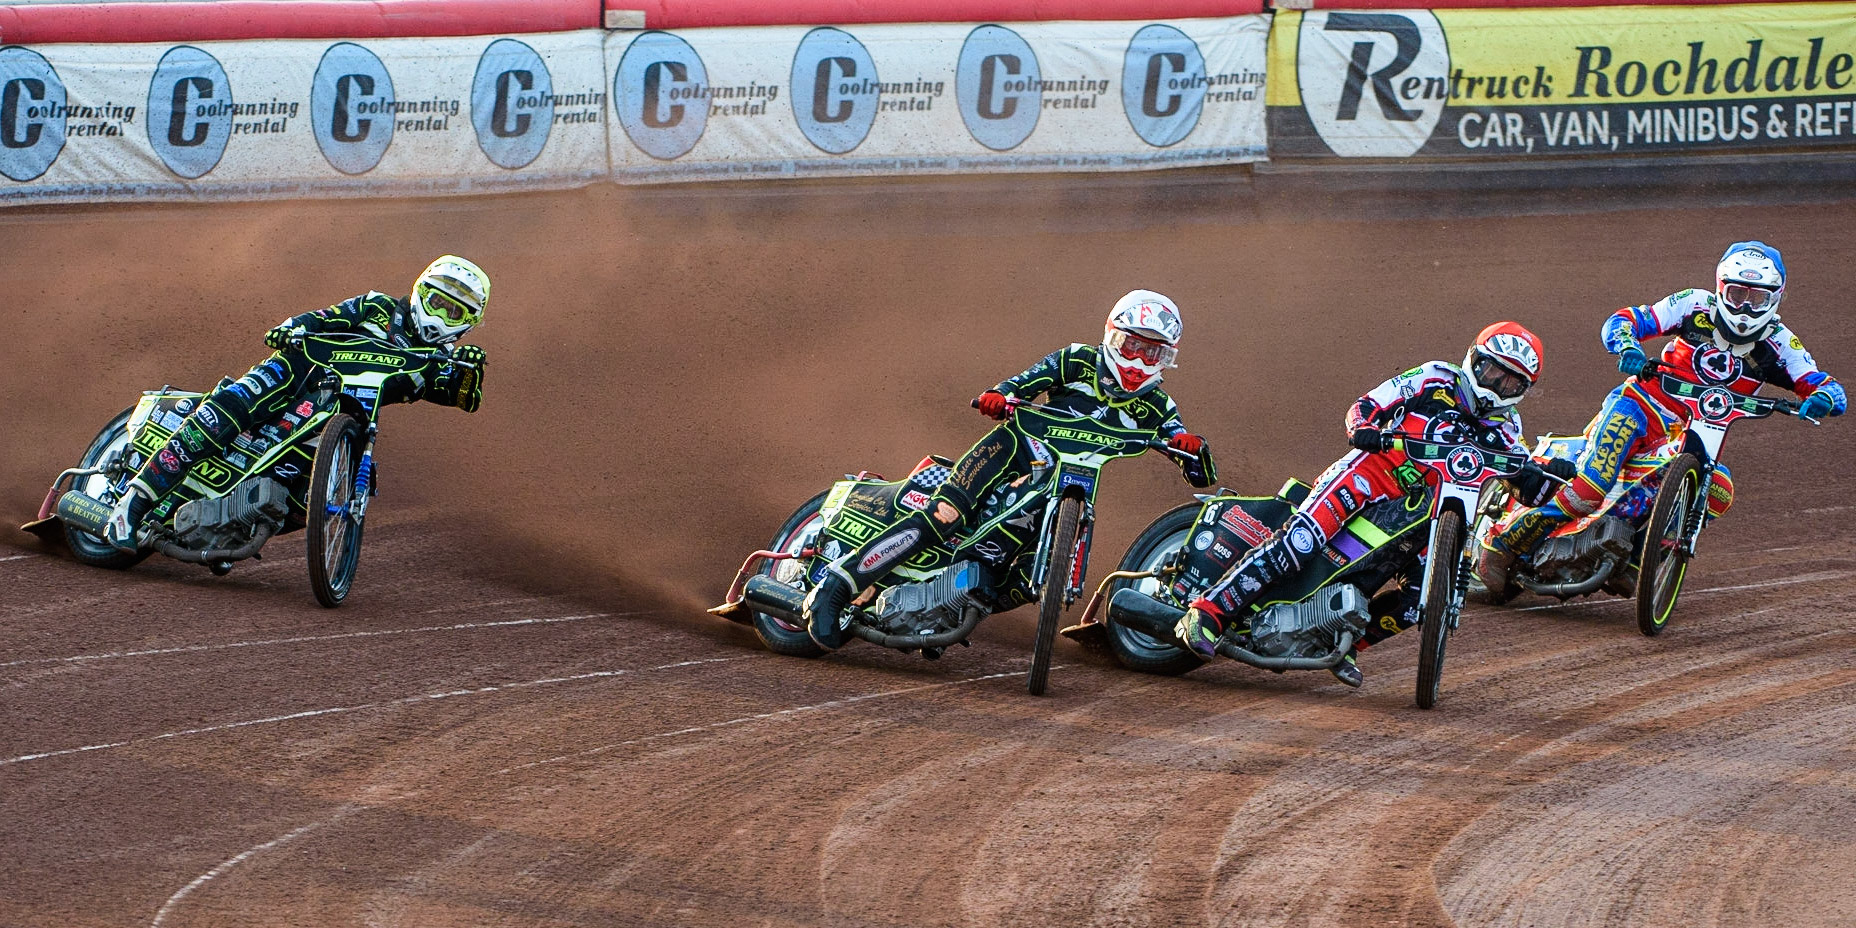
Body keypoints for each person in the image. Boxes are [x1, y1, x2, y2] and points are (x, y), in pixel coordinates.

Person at [801, 289, 1218, 650]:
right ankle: (836, 586)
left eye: (1152, 352)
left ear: (1167, 358)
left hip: (1071, 483)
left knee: (1025, 577)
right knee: (945, 514)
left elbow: (1200, 473)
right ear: (1112, 336)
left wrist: (1193, 448)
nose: (1139, 359)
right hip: (1014, 448)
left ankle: (954, 604)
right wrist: (997, 396)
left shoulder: (1158, 405)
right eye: (1132, 345)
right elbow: (1019, 384)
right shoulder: (1077, 359)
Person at [1174, 322, 1565, 687]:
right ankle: (1208, 612)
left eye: (1511, 380)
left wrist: (1549, 475)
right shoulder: (1435, 377)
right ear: (1474, 360)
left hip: (1424, 515)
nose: (1498, 384)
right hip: (1370, 475)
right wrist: (1363, 427)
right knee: (1300, 543)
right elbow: (1369, 403)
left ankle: (1342, 643)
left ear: (1523, 389)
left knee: (1418, 599)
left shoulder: (1508, 427)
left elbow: (1525, 483)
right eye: (1493, 371)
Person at [1476, 241, 1845, 592]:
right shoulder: (1694, 304)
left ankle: (1639, 559)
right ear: (1721, 288)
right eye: (1737, 294)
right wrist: (1627, 346)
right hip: (1639, 407)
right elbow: (1624, 320)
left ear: (1775, 298)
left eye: (1757, 298)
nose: (1745, 308)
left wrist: (1823, 398)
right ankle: (1504, 541)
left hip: (1695, 434)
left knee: (1719, 490)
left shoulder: (1782, 343)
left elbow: (1826, 386)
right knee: (1592, 487)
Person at [104, 255, 491, 550]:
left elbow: (462, 396)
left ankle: (232, 522)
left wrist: (470, 372)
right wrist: (291, 328)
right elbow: (324, 317)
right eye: (436, 302)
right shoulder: (377, 307)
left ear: (469, 322)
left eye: (453, 312)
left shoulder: (440, 362)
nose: (441, 316)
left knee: (309, 495)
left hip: (342, 415)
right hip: (296, 371)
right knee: (228, 410)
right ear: (420, 292)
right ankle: (131, 506)